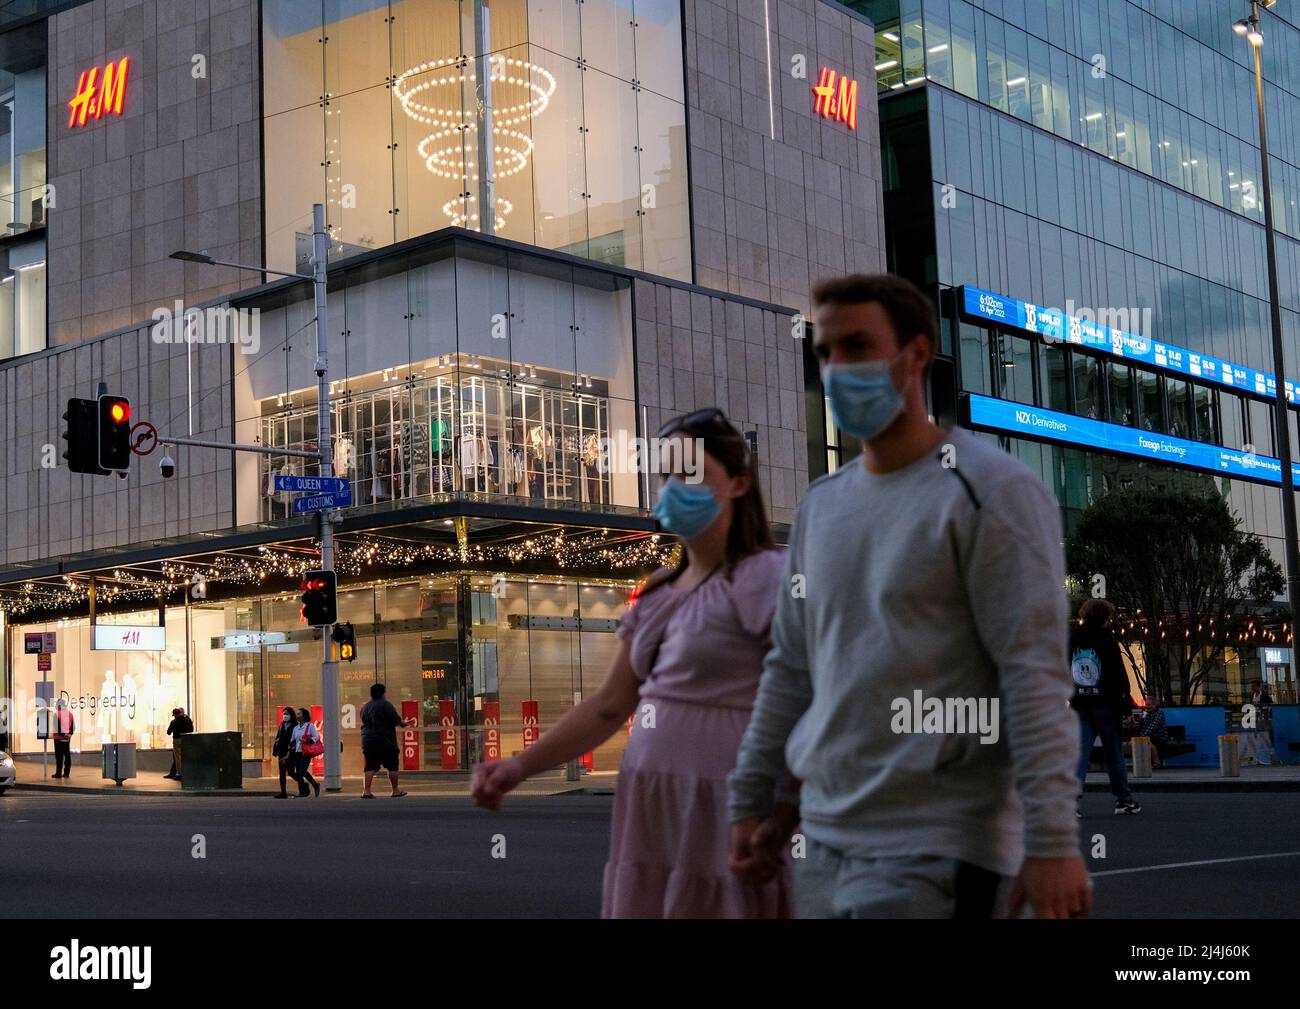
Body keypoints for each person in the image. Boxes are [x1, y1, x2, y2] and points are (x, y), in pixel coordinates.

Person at [727, 273, 1089, 919]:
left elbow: (1032, 675)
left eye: (858, 345)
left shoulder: (988, 491)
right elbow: (792, 668)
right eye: (825, 352)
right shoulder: (821, 506)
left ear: (916, 353)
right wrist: (759, 803)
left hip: (941, 847)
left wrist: (1054, 840)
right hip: (825, 842)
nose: (837, 369)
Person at [472, 408, 795, 918]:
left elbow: (809, 703)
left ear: (738, 484)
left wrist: (779, 811)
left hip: (731, 805)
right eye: (665, 473)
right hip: (653, 807)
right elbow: (608, 705)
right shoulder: (660, 590)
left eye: (689, 472)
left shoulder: (768, 578)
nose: (672, 486)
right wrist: (517, 767)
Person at [1070, 598, 1140, 815]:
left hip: (1080, 704)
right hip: (1107, 706)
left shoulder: (1070, 640)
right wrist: (1126, 705)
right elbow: (1119, 675)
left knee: (1080, 754)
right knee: (1114, 754)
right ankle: (1123, 799)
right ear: (1104, 618)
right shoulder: (1106, 640)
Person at [360, 683, 409, 798]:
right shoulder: (386, 705)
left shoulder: (365, 707)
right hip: (385, 740)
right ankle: (395, 790)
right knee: (392, 765)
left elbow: (364, 721)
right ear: (383, 693)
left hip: (368, 740)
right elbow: (394, 718)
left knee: (370, 766)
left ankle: (366, 791)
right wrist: (402, 723)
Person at [1132, 692, 1169, 769]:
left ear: (1154, 705)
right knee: (1146, 741)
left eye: (1149, 705)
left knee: (1146, 740)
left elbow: (1153, 727)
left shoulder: (1159, 713)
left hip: (1160, 737)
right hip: (1149, 737)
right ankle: (1156, 761)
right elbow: (1141, 727)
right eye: (1146, 704)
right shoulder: (1146, 713)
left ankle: (1156, 761)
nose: (1147, 707)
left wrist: (1141, 737)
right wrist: (1142, 720)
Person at [292, 708, 321, 797]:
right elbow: (293, 740)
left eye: (299, 714)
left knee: (303, 771)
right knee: (298, 773)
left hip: (306, 752)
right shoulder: (296, 728)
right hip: (297, 751)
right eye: (297, 714)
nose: (297, 715)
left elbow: (316, 737)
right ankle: (302, 792)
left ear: (304, 716)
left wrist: (308, 740)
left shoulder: (310, 726)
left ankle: (315, 784)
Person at [272, 706, 298, 798]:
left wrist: (291, 749)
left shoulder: (295, 725)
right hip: (282, 751)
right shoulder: (282, 725)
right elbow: (277, 738)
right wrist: (275, 750)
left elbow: (295, 739)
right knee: (282, 772)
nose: (285, 716)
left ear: (291, 715)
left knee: (291, 772)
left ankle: (302, 784)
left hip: (290, 751)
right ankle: (283, 792)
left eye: (287, 714)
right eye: (284, 714)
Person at [164, 707, 194, 781]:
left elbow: (168, 732)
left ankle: (180, 774)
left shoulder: (173, 722)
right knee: (185, 757)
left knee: (177, 758)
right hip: (186, 740)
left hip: (177, 740)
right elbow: (191, 729)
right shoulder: (187, 720)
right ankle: (187, 772)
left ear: (174, 715)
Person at [52, 698, 75, 779]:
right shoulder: (70, 714)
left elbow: (56, 727)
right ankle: (66, 773)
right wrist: (69, 734)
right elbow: (73, 727)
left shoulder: (56, 714)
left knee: (59, 757)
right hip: (67, 739)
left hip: (58, 738)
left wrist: (62, 734)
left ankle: (58, 773)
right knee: (67, 756)